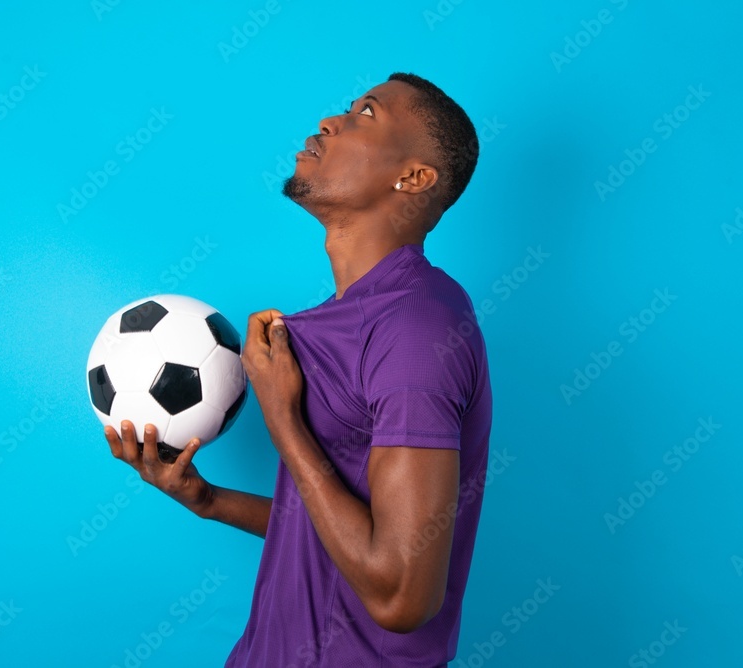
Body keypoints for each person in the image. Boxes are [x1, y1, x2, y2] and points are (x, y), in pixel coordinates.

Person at [104, 72, 492, 667]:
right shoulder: (338, 320)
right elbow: (335, 532)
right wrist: (208, 499)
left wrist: (283, 418)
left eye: (366, 113)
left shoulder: (418, 328)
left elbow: (403, 596)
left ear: (413, 178)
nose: (330, 121)